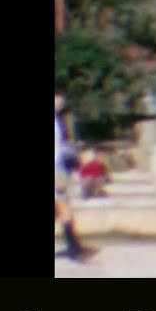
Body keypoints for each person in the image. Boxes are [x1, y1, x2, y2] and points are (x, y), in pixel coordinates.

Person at [55, 91, 96, 262]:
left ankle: (74, 247)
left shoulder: (59, 121)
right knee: (63, 207)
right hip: (56, 167)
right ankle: (74, 248)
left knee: (63, 206)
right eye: (57, 100)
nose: (60, 103)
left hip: (59, 167)